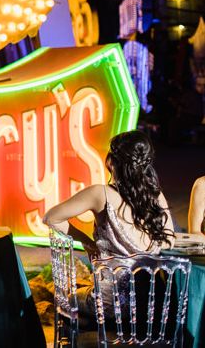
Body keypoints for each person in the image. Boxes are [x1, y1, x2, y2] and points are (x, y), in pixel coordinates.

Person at [43, 130, 175, 320]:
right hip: (154, 306)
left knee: (66, 298)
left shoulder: (101, 194)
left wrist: (87, 242)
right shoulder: (156, 196)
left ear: (113, 162)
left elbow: (51, 218)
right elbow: (169, 242)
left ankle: (91, 329)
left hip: (113, 305)